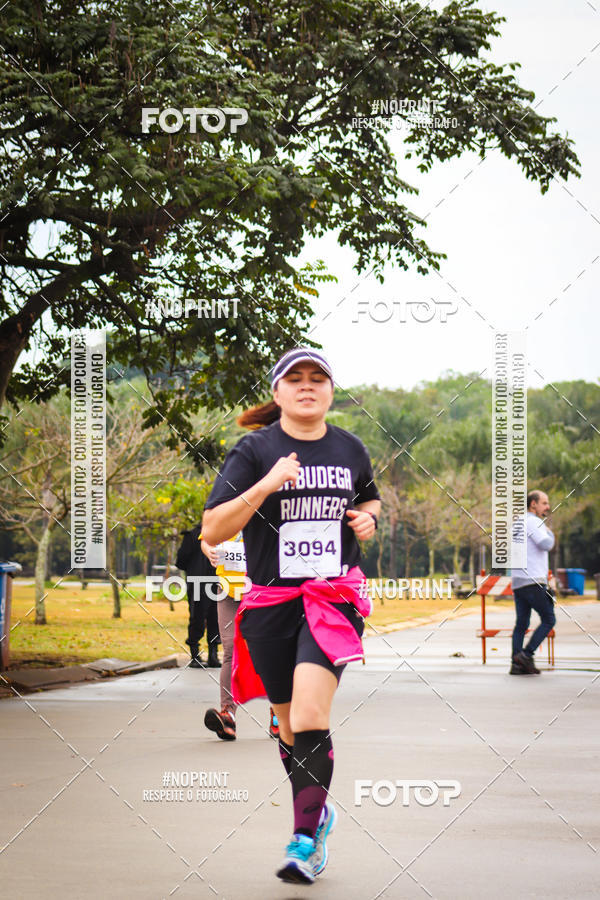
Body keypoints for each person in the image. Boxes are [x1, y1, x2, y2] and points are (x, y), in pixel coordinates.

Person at [201, 347, 381, 884]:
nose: (307, 386)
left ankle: (304, 841)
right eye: (295, 378)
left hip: (332, 599)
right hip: (270, 604)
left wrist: (368, 519)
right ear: (277, 391)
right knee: (286, 726)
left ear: (331, 391)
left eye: (317, 379)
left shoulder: (350, 448)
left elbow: (370, 499)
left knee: (307, 713)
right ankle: (318, 811)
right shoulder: (255, 450)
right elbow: (213, 529)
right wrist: (267, 484)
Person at [201, 532, 280, 741]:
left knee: (269, 650)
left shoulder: (264, 513)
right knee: (230, 650)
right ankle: (228, 715)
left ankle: (279, 711)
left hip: (262, 590)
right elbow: (207, 537)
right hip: (228, 592)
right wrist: (209, 550)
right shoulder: (223, 512)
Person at [509, 490, 556, 675]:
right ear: (533, 504)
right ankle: (526, 655)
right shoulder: (534, 522)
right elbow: (546, 544)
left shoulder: (517, 523)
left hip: (518, 581)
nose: (548, 507)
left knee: (521, 623)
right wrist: (550, 533)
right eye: (544, 503)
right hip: (533, 580)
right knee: (549, 619)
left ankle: (517, 665)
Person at [175, 522, 221, 668]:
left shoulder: (192, 535)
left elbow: (181, 561)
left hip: (200, 583)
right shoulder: (220, 534)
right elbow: (181, 561)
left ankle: (199, 656)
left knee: (198, 618)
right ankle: (209, 655)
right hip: (213, 582)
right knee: (212, 618)